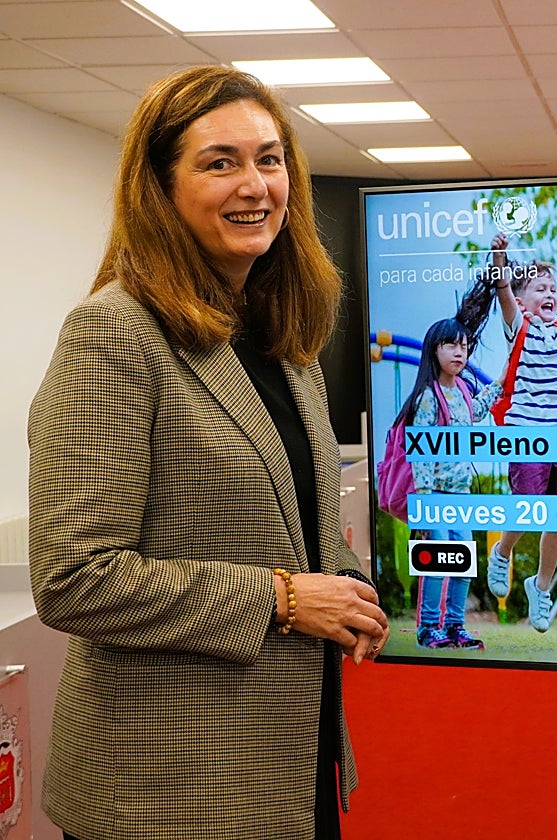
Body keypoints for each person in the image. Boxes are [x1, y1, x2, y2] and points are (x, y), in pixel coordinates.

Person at [27, 66, 389, 840]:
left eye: (269, 158)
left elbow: (282, 518)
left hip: (288, 758)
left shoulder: (282, 338)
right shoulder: (114, 333)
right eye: (219, 162)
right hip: (171, 788)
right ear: (160, 189)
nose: (254, 185)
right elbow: (74, 578)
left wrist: (345, 582)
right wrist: (285, 600)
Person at [484, 228, 557, 631]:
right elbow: (502, 289)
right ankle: (502, 552)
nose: (550, 294)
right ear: (522, 301)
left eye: (553, 289)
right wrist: (499, 259)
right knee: (528, 505)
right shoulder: (520, 326)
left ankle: (541, 585)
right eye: (540, 288)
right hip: (526, 432)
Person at [399, 318, 501, 649]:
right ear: (434, 349)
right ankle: (429, 627)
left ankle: (455, 625)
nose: (460, 352)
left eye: (464, 346)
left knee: (463, 563)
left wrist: (501, 382)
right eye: (451, 345)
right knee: (439, 559)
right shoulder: (428, 396)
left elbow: (477, 412)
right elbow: (420, 454)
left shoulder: (462, 392)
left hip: (461, 496)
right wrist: (425, 505)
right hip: (435, 496)